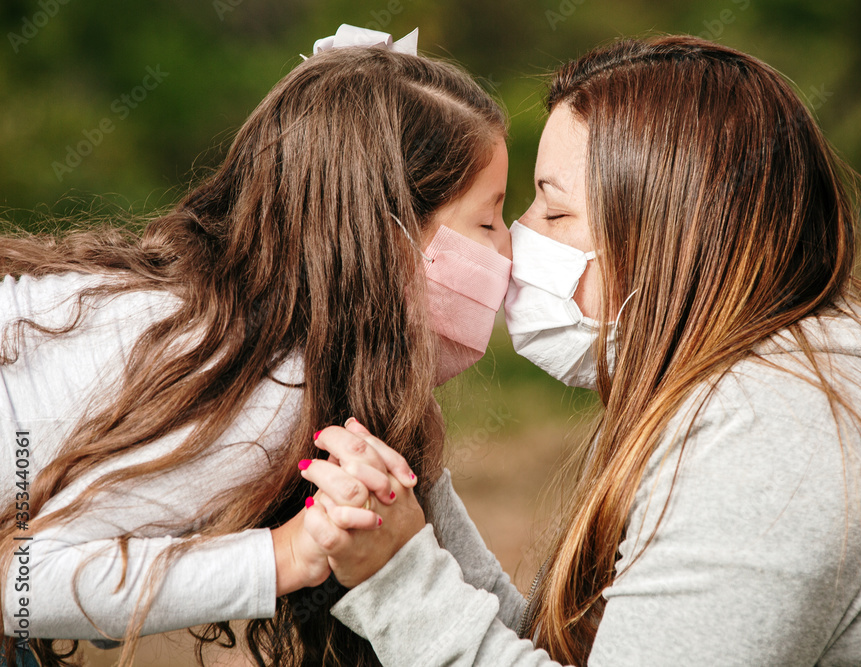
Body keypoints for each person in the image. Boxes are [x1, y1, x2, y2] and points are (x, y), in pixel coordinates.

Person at [299, 35, 861, 665]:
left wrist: (400, 577)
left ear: (666, 238)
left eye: (553, 208)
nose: (517, 240)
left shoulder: (777, 436)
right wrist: (414, 488)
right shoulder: (750, 391)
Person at [0, 25, 511, 667]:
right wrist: (285, 556)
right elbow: (19, 585)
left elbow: (475, 589)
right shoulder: (267, 391)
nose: (508, 251)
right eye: (489, 220)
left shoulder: (264, 332)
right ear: (389, 243)